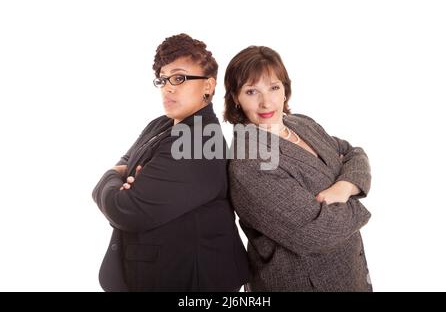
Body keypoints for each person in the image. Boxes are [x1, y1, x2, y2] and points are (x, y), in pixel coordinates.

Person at [92, 33, 250, 292]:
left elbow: (127, 209)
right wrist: (124, 173)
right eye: (163, 79)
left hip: (194, 282)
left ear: (208, 86)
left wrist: (112, 174)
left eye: (179, 78)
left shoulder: (198, 141)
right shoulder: (161, 124)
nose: (168, 87)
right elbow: (126, 161)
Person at [224, 46, 372, 291]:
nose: (266, 102)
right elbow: (315, 233)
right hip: (306, 283)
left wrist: (344, 188)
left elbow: (354, 153)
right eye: (251, 91)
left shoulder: (301, 123)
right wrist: (358, 205)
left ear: (285, 90)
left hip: (349, 273)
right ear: (236, 99)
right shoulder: (250, 162)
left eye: (274, 87)